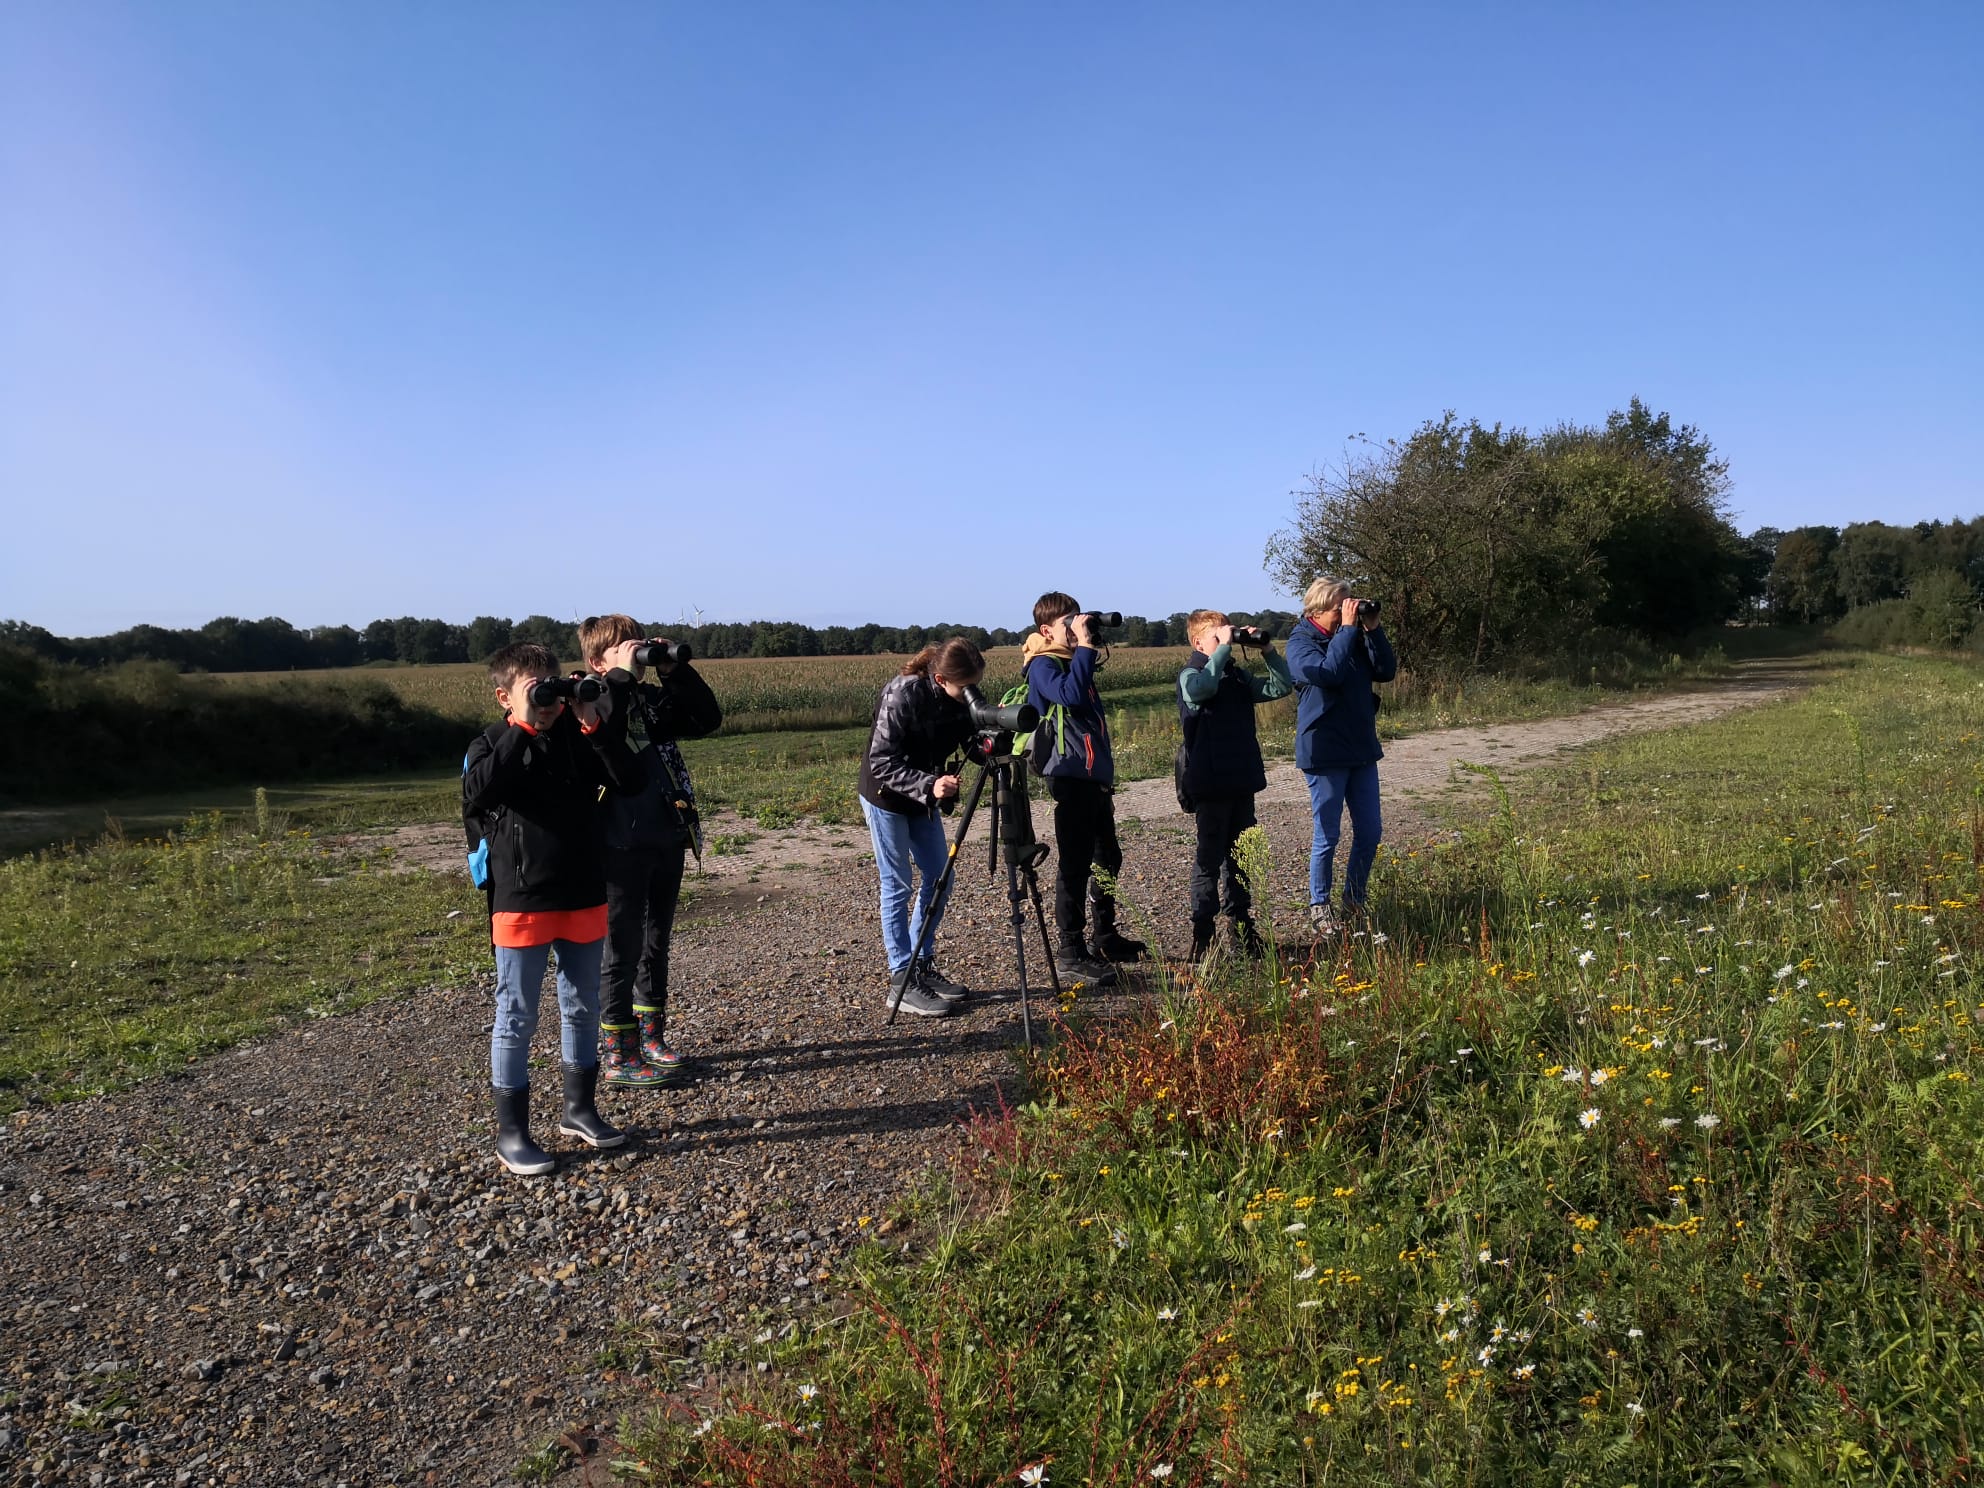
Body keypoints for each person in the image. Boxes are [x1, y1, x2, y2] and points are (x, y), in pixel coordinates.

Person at [462, 641, 647, 1176]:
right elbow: (477, 795)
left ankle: (579, 1109)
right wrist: (522, 727)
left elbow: (630, 781)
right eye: (535, 692)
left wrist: (594, 726)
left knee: (583, 1005)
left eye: (552, 690)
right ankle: (512, 1133)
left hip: (583, 890)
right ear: (505, 696)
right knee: (516, 1014)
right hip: (522, 898)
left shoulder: (576, 735)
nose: (548, 703)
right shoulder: (491, 742)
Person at [578, 614, 723, 1088]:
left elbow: (706, 719)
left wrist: (674, 671)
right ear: (598, 660)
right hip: (618, 840)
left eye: (637, 643)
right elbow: (606, 734)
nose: (634, 651)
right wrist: (619, 679)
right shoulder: (588, 698)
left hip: (665, 832)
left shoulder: (648, 698)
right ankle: (619, 1050)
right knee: (621, 946)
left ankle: (651, 1034)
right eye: (623, 646)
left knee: (656, 940)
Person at [858, 637, 987, 1018]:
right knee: (897, 883)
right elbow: (881, 761)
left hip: (924, 797)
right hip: (886, 797)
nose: (971, 694)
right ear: (942, 679)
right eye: (966, 687)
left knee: (939, 875)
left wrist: (1000, 735)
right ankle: (901, 979)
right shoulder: (902, 694)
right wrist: (929, 784)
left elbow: (971, 744)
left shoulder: (959, 696)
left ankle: (922, 961)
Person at [1023, 593, 1144, 985]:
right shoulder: (1042, 665)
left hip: (1092, 777)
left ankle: (1104, 935)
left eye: (1079, 620)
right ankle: (1070, 951)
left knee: (1108, 857)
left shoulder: (1073, 660)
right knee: (1074, 864)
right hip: (1069, 776)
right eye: (1068, 623)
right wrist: (1086, 647)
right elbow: (1070, 696)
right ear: (1047, 630)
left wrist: (1084, 648)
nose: (1077, 628)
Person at [1283, 577, 1397, 936]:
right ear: (1317, 609)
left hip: (1360, 747)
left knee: (1370, 831)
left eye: (1351, 605)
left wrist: (1373, 629)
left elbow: (1386, 671)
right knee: (1327, 835)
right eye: (1341, 607)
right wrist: (1348, 630)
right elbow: (1328, 674)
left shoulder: (1354, 636)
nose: (1348, 612)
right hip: (1324, 751)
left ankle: (1354, 899)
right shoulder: (1300, 643)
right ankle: (1319, 904)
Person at [1177, 609, 1292, 959]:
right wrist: (1224, 649)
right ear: (1198, 642)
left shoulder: (1237, 676)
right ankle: (1203, 935)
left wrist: (1267, 650)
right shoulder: (1191, 674)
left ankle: (1242, 931)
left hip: (1241, 781)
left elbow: (1280, 686)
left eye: (1228, 632)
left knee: (1240, 858)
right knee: (1209, 860)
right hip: (1211, 785)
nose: (1227, 638)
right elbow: (1203, 690)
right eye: (1218, 635)